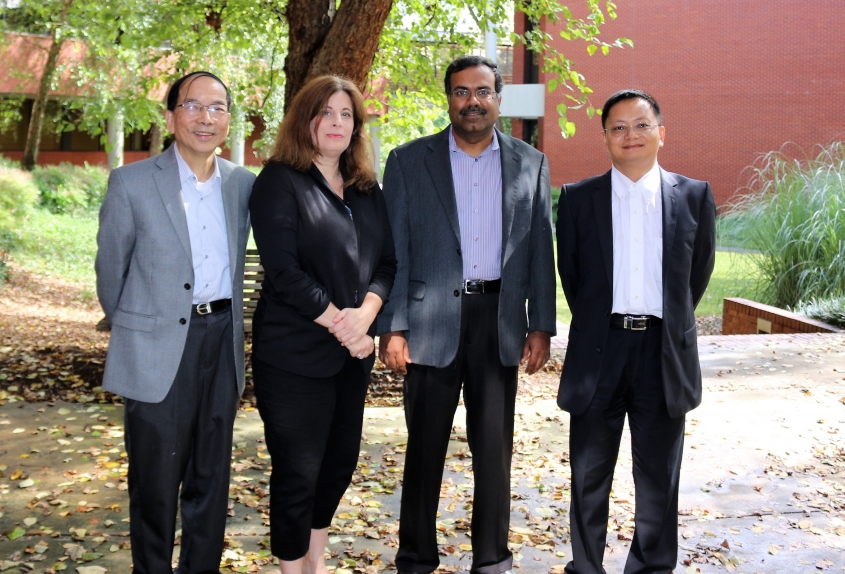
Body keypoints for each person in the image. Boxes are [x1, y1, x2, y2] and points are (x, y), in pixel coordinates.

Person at [378, 55, 556, 574]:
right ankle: (415, 556)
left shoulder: (531, 162)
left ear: (498, 98)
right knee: (424, 450)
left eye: (482, 91)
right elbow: (396, 249)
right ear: (449, 99)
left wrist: (540, 323)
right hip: (430, 322)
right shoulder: (409, 161)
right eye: (461, 91)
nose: (472, 101)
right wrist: (393, 325)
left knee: (494, 451)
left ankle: (492, 556)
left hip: (498, 321)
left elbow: (539, 248)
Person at [95, 71, 256, 574]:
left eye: (217, 107)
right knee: (155, 482)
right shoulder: (132, 182)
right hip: (157, 347)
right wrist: (144, 326)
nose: (205, 117)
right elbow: (110, 273)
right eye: (193, 106)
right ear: (170, 116)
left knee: (211, 479)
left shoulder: (242, 185)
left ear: (229, 119)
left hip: (222, 342)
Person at [555, 89, 716, 574]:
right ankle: (586, 567)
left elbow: (697, 274)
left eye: (641, 125)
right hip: (598, 350)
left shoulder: (693, 196)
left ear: (661, 134)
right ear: (604, 137)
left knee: (658, 479)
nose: (630, 135)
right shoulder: (578, 199)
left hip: (662, 352)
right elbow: (574, 278)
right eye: (618, 127)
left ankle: (650, 567)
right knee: (587, 475)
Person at [249, 75, 397, 574]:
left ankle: (315, 563)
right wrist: (344, 324)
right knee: (298, 473)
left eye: (346, 115)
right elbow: (285, 271)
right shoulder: (278, 180)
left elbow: (388, 264)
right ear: (305, 120)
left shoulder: (366, 189)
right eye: (325, 113)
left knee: (336, 470)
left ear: (356, 127)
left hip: (351, 359)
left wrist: (369, 315)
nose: (337, 122)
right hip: (292, 357)